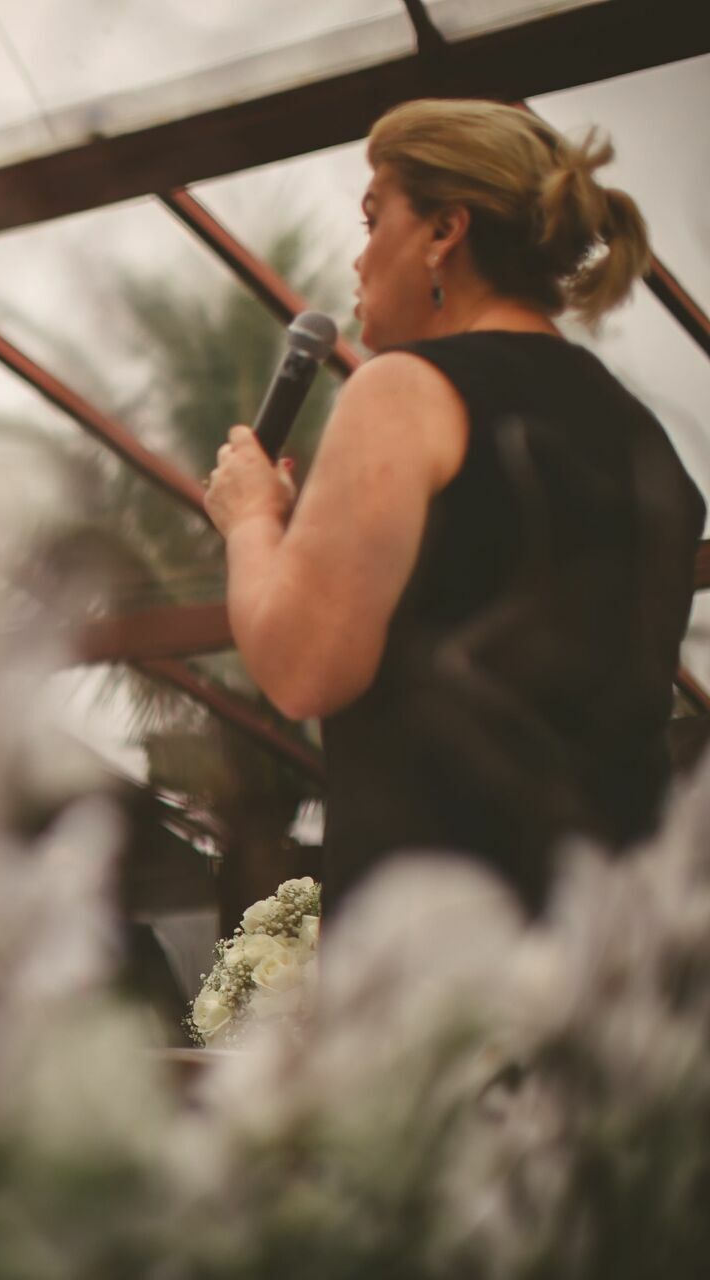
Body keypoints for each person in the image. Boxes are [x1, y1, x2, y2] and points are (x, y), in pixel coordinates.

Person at [204, 100, 705, 916]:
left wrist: (254, 520)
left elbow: (302, 668)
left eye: (373, 220)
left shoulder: (403, 389)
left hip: (452, 956)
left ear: (444, 233)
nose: (359, 258)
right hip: (622, 950)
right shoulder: (646, 441)